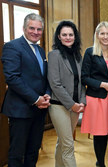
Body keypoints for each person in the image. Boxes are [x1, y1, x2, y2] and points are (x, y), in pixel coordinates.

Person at [1, 13, 50, 167]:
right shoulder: (12, 46)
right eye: (32, 28)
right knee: (17, 154)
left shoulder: (41, 50)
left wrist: (47, 94)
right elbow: (12, 78)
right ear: (24, 28)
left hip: (39, 111)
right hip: (20, 110)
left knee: (33, 151)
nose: (36, 32)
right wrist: (36, 99)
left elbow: (44, 77)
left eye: (39, 29)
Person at [81, 21, 108, 167]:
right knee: (99, 132)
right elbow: (84, 77)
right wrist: (103, 84)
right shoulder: (90, 52)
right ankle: (101, 163)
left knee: (106, 132)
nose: (105, 36)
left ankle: (101, 161)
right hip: (95, 98)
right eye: (102, 33)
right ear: (97, 35)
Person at [47, 20, 86, 167]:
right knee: (69, 145)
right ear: (59, 36)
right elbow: (55, 84)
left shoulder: (78, 56)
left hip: (76, 106)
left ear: (75, 37)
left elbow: (82, 82)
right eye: (64, 35)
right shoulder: (54, 55)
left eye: (71, 34)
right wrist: (72, 105)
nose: (68, 37)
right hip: (59, 106)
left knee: (62, 142)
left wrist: (82, 102)